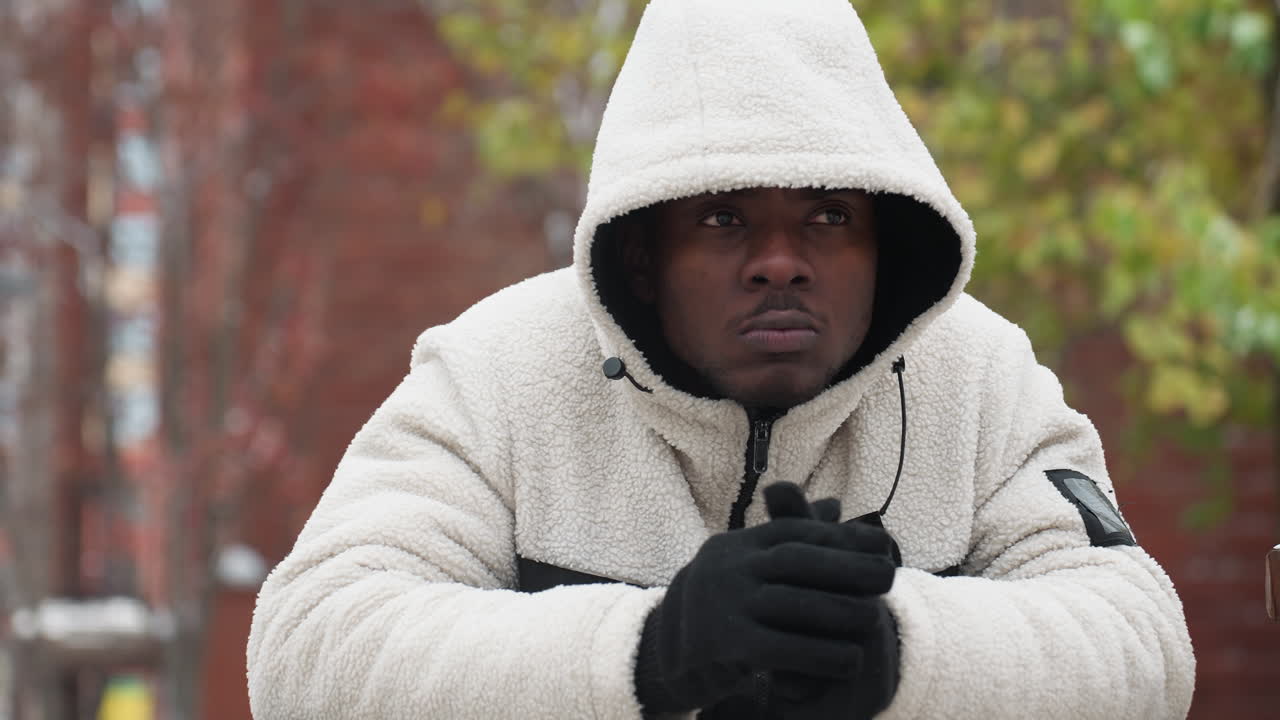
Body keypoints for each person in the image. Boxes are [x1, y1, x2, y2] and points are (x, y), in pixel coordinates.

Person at [246, 0, 1196, 718]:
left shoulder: (979, 376)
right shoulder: (499, 373)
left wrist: (897, 651)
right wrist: (653, 650)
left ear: (887, 246)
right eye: (723, 216)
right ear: (641, 253)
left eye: (830, 214)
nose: (780, 261)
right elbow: (308, 645)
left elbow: (1141, 641)